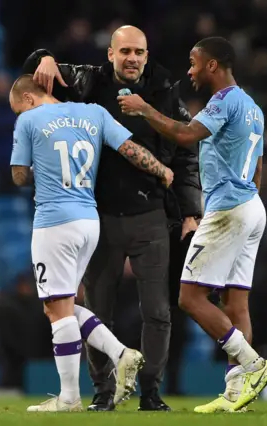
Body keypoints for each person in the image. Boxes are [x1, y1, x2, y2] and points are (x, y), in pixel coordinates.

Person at [24, 24, 202, 412]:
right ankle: (103, 392)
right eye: (125, 52)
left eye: (139, 52)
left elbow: (187, 151)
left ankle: (151, 392)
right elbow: (35, 73)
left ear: (147, 54)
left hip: (151, 214)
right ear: (110, 55)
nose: (133, 59)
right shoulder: (89, 82)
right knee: (99, 306)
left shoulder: (165, 90)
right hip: (99, 215)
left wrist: (191, 211)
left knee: (157, 310)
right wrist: (44, 56)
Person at [118, 36, 267, 413]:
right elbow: (257, 167)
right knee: (236, 302)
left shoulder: (223, 101)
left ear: (212, 65)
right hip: (252, 205)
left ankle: (254, 365)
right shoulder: (253, 107)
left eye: (193, 62)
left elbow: (187, 135)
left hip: (229, 208)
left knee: (189, 297)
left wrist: (143, 109)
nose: (188, 70)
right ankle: (236, 392)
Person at [8, 74, 174, 412]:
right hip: (89, 220)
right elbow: (130, 150)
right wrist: (162, 171)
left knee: (57, 309)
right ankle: (121, 354)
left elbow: (19, 175)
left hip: (54, 222)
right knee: (62, 305)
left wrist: (37, 164)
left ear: (27, 99)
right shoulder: (94, 112)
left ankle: (72, 395)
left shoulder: (28, 119)